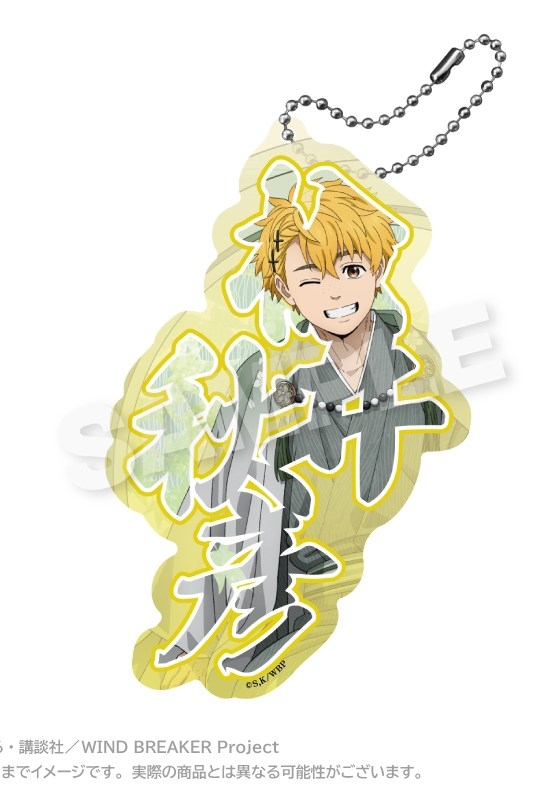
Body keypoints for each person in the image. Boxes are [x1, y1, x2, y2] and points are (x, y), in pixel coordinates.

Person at [155, 176, 445, 675]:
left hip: (353, 502)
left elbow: (423, 415)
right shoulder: (296, 364)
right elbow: (270, 409)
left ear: (378, 270)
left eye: (351, 269)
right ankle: (235, 609)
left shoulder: (403, 352)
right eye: (311, 280)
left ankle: (269, 602)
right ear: (287, 290)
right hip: (293, 493)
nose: (335, 292)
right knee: (251, 491)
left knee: (261, 493)